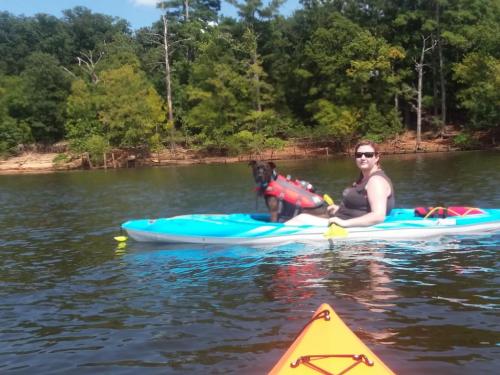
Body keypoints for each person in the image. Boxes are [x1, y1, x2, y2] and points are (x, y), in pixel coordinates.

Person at [328, 140, 395, 227]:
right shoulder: (363, 179)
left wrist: (344, 223)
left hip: (347, 226)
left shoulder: (376, 181)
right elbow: (361, 207)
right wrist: (338, 210)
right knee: (304, 217)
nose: (363, 158)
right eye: (359, 155)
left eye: (368, 155)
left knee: (303, 219)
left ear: (376, 157)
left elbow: (378, 216)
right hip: (340, 218)